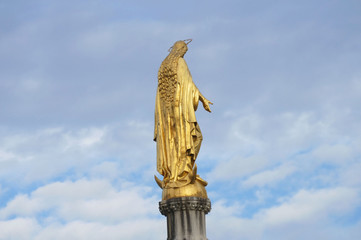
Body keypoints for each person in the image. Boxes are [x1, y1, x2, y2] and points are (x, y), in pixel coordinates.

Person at [154, 39, 212, 189]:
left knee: (172, 141)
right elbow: (188, 86)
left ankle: (173, 173)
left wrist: (202, 98)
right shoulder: (180, 63)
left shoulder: (163, 67)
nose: (185, 53)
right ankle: (183, 172)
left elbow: (184, 85)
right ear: (181, 50)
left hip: (167, 116)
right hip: (181, 113)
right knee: (195, 137)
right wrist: (202, 99)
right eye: (184, 51)